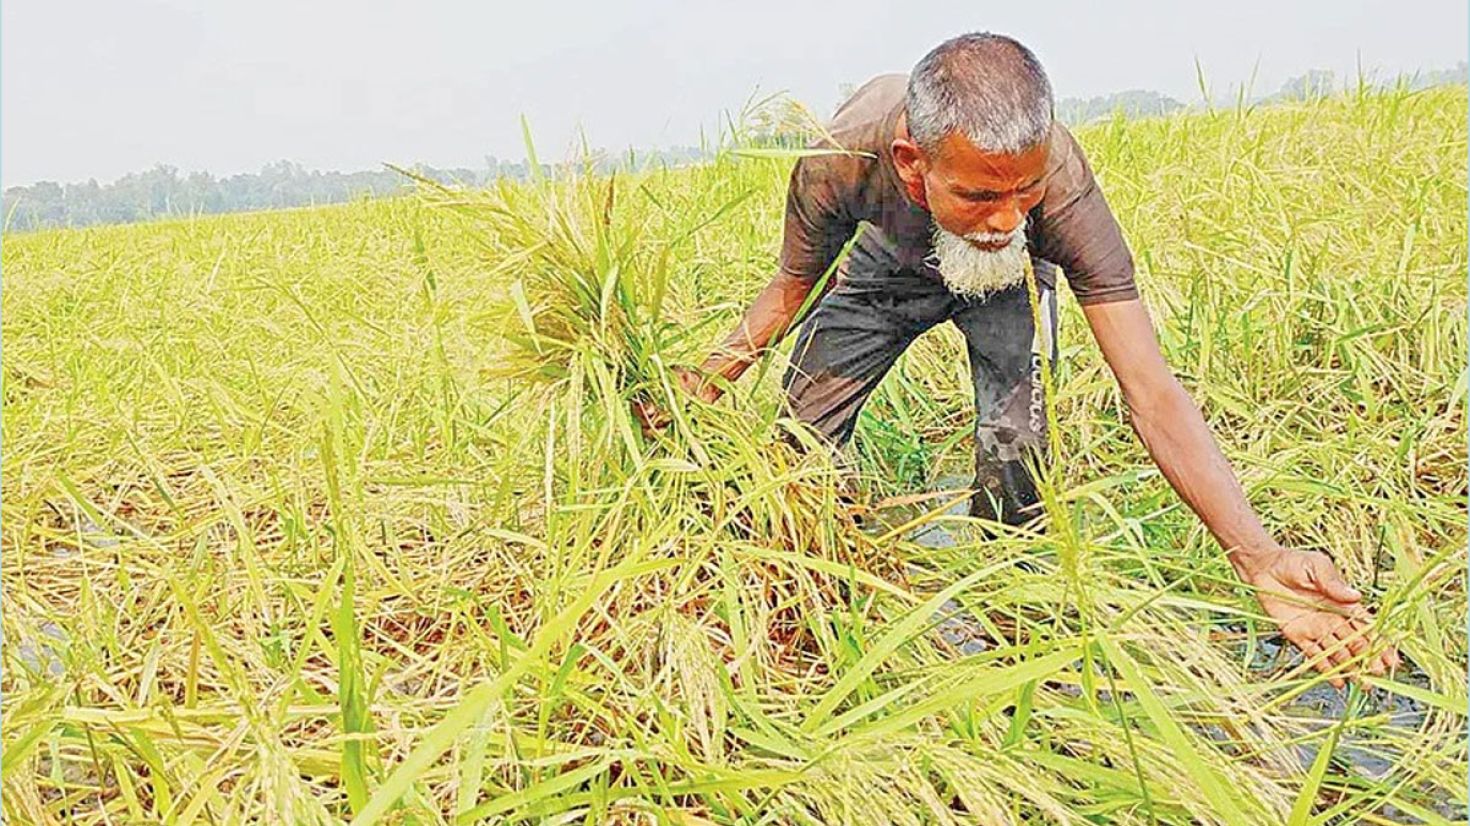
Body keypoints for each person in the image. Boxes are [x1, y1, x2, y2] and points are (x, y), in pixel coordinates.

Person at [639, 32, 1397, 688]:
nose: (1006, 219)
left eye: (1022, 191)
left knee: (1016, 455)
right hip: (880, 277)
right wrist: (690, 390)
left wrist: (1259, 557)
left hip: (1000, 289)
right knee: (795, 441)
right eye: (978, 195)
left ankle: (1014, 623)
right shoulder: (838, 162)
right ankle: (793, 601)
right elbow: (787, 293)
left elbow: (1150, 388)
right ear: (912, 164)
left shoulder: (1057, 192)